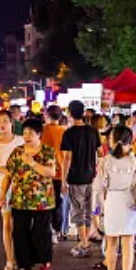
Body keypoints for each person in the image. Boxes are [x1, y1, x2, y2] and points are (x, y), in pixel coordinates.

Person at [0, 119, 56, 270]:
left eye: (31, 133)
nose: (27, 136)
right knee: (20, 233)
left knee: (42, 233)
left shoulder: (47, 152)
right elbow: (8, 175)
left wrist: (32, 163)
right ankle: (25, 265)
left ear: (39, 134)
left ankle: (45, 263)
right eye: (24, 133)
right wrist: (3, 196)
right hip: (20, 200)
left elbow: (51, 172)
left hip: (42, 201)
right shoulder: (17, 152)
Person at [101, 126, 136, 270]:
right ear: (130, 141)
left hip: (112, 200)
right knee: (128, 245)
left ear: (112, 141)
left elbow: (102, 185)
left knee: (111, 243)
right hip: (130, 202)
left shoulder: (106, 161)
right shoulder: (135, 160)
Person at [61, 100, 102, 258]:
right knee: (88, 209)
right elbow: (101, 153)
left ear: (70, 113)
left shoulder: (69, 133)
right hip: (92, 176)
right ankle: (84, 240)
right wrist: (96, 168)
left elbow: (67, 159)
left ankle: (84, 243)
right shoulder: (93, 132)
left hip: (76, 177)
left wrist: (63, 180)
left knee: (78, 211)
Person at [0, 111, 25, 270]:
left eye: (5, 121)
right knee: (7, 224)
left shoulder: (21, 141)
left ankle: (23, 259)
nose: (2, 124)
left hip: (23, 185)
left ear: (12, 123)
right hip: (3, 186)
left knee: (22, 223)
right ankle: (10, 259)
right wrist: (1, 168)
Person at [41, 105, 67, 245]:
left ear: (46, 115)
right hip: (59, 172)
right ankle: (56, 229)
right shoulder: (63, 131)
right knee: (57, 203)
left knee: (44, 202)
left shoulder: (42, 131)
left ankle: (47, 229)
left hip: (43, 172)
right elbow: (65, 155)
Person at [90, 114, 108, 243]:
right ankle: (102, 229)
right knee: (103, 207)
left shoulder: (91, 136)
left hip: (94, 177)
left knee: (94, 207)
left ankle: (95, 230)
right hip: (104, 178)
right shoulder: (104, 138)